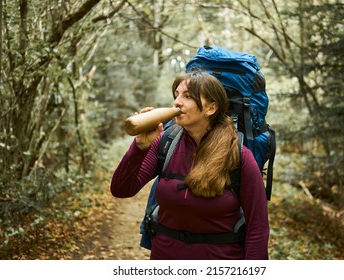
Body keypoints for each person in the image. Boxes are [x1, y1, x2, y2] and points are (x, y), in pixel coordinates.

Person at [110, 72, 269, 260]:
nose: (177, 102)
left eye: (187, 96)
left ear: (211, 107)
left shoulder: (239, 155)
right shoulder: (166, 143)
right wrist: (140, 147)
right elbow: (121, 189)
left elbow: (257, 226)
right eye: (176, 95)